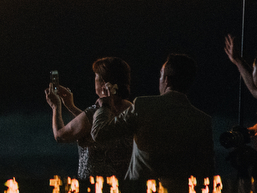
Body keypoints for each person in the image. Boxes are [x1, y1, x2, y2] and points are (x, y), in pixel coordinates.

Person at [91, 53, 215, 184]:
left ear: (167, 80)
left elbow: (99, 132)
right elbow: (206, 170)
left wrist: (104, 104)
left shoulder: (142, 105)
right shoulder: (202, 121)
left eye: (161, 75)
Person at [45, 57, 134, 179]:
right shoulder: (130, 109)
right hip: (121, 183)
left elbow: (60, 136)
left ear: (104, 83)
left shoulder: (96, 111)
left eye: (96, 77)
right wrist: (71, 106)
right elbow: (93, 124)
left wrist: (56, 106)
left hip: (94, 185)